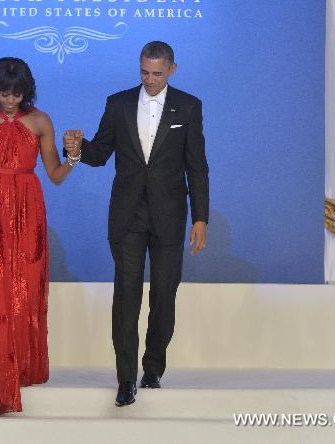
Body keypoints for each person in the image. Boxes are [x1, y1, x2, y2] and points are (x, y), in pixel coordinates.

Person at [63, 41, 209, 407]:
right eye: (144, 72)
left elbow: (197, 166)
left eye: (157, 73)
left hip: (170, 216)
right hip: (127, 216)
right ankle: (125, 379)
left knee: (163, 295)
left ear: (172, 70)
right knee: (126, 296)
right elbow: (100, 154)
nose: (150, 79)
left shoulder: (189, 107)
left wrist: (201, 217)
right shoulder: (119, 103)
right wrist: (77, 150)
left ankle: (153, 366)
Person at [0, 57, 79, 415]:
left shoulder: (39, 121)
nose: (10, 101)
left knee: (20, 291)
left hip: (27, 214)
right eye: (4, 93)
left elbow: (54, 174)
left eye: (16, 94)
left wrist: (74, 154)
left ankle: (14, 368)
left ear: (26, 91)